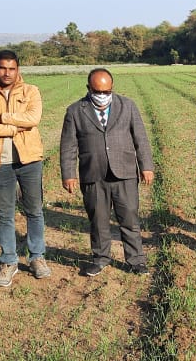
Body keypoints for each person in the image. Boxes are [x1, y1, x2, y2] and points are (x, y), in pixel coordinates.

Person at [60, 68, 155, 276]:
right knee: (98, 219)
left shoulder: (127, 106)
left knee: (129, 217)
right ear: (88, 88)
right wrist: (68, 174)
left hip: (125, 172)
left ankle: (136, 260)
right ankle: (100, 258)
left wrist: (146, 166)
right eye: (97, 91)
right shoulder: (75, 111)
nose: (102, 95)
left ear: (112, 88)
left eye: (106, 91)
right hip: (93, 174)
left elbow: (141, 138)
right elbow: (68, 145)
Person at [0, 50, 50, 287]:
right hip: (0, 161)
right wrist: (13, 127)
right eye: (2, 68)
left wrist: (3, 117)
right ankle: (9, 261)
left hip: (29, 160)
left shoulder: (31, 91)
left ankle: (37, 257)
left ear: (18, 69)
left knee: (34, 210)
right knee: (4, 214)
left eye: (12, 68)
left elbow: (33, 118)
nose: (7, 73)